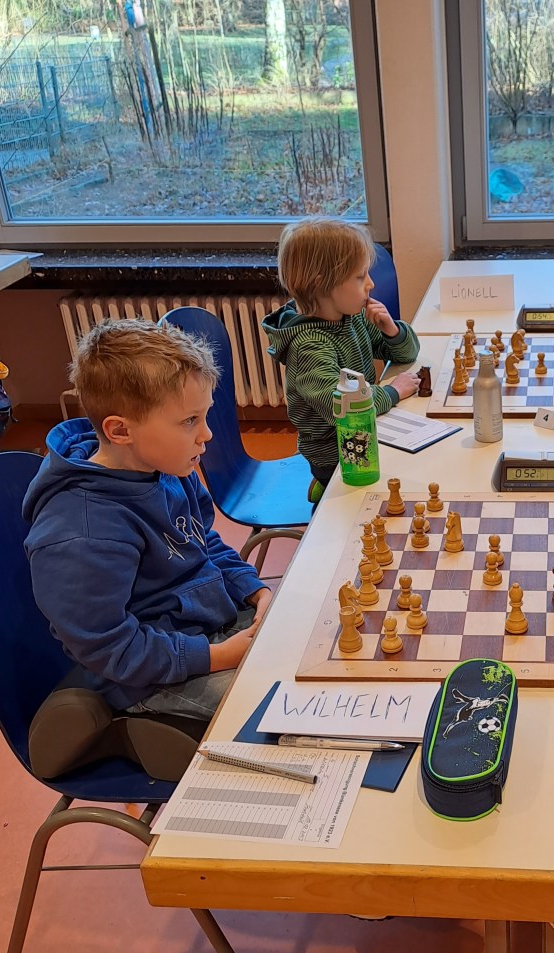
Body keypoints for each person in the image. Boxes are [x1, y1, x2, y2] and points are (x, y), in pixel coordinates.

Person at [24, 318, 270, 736]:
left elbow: (203, 541)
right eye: (189, 421)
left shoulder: (165, 465)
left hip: (211, 630)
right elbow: (110, 648)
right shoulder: (82, 532)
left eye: (204, 416)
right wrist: (217, 656)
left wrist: (254, 589)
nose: (207, 435)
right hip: (152, 679)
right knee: (279, 706)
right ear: (120, 430)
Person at [262, 217, 421, 498]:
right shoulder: (309, 347)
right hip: (335, 456)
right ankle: (325, 487)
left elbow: (406, 355)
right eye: (360, 277)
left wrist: (392, 330)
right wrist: (393, 392)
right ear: (323, 285)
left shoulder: (349, 317)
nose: (371, 284)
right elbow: (348, 411)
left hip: (363, 431)